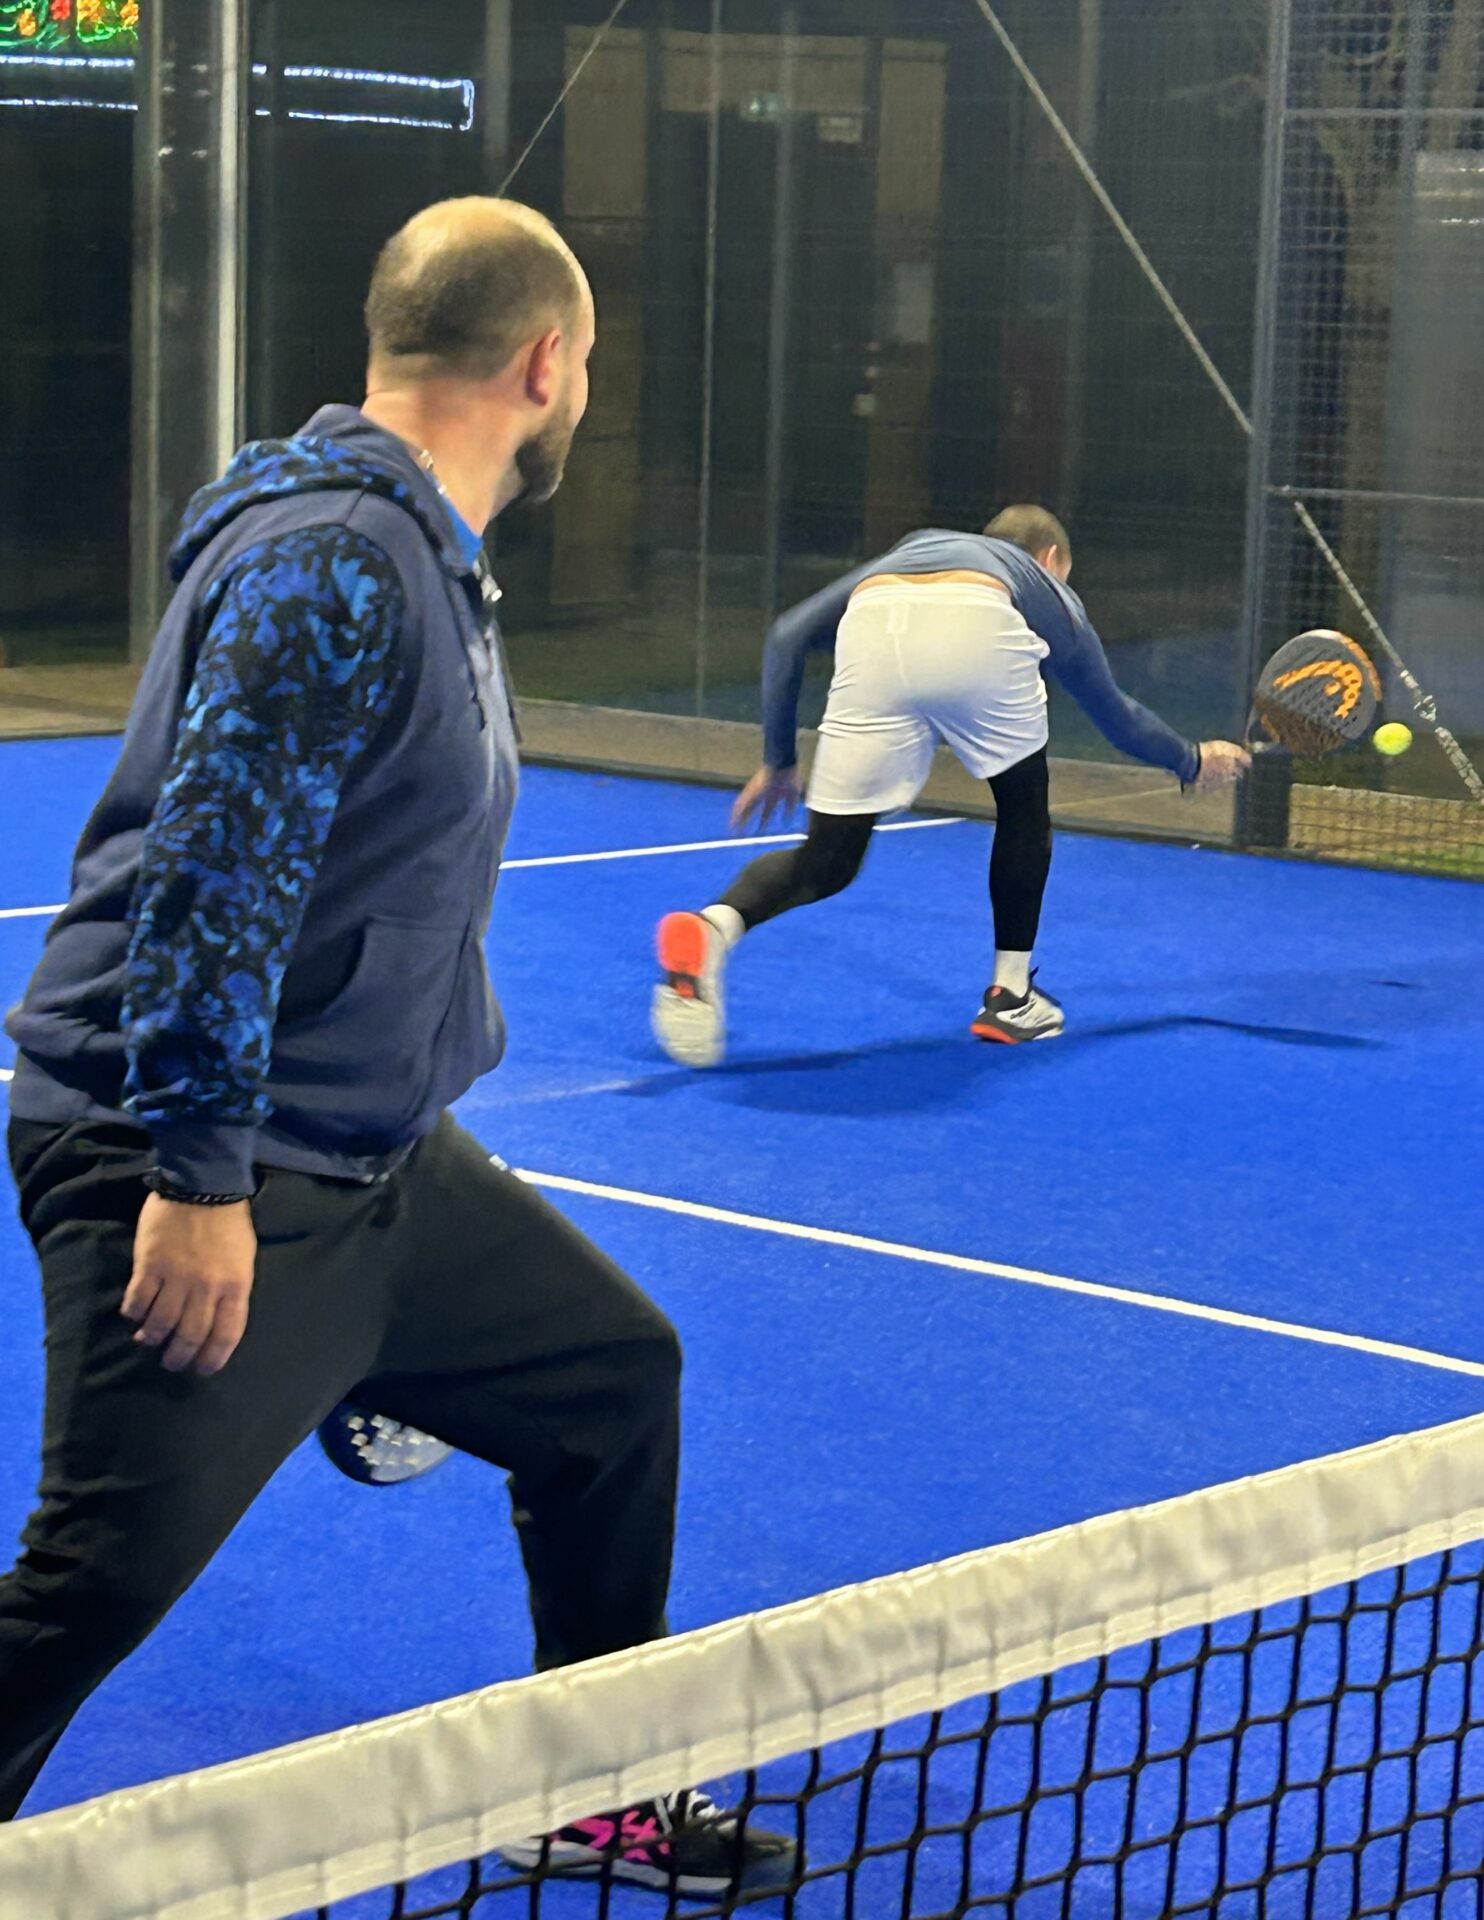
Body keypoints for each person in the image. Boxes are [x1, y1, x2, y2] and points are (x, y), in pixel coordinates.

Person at [1, 197, 789, 1896]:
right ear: (546, 364)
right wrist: (198, 1180)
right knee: (95, 1581)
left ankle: (590, 1788)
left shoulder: (421, 549)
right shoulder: (336, 560)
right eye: (590, 366)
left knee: (608, 1380)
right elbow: (213, 875)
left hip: (368, 1158)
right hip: (197, 1156)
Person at [651, 506, 1250, 1067]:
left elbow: (786, 635)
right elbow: (1116, 715)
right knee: (1022, 804)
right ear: (1050, 560)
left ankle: (713, 927)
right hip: (977, 624)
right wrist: (1191, 760)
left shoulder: (912, 550)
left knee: (828, 858)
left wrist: (779, 760)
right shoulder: (1039, 585)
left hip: (872, 624)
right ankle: (1010, 998)